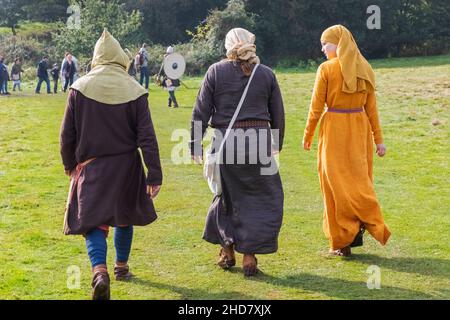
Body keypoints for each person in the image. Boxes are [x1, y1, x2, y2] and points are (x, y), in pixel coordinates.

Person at [60, 29, 163, 300]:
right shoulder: (136, 90)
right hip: (127, 167)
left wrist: (69, 164)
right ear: (121, 58)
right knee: (124, 216)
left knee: (94, 222)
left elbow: (66, 134)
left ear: (96, 58)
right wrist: (154, 174)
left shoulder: (78, 88)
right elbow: (147, 137)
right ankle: (121, 267)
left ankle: (99, 271)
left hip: (92, 167)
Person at [190, 28, 285, 277]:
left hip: (226, 142)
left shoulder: (215, 71)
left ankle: (227, 249)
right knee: (261, 200)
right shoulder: (266, 74)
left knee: (226, 198)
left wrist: (194, 144)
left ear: (228, 46)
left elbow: (200, 111)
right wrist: (276, 144)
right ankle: (249, 257)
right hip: (259, 143)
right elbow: (278, 113)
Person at [302, 25, 391, 257]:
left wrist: (308, 134)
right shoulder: (365, 68)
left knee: (334, 185)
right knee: (357, 182)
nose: (322, 48)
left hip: (334, 131)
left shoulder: (326, 69)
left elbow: (315, 106)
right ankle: (361, 227)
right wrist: (378, 140)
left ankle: (342, 240)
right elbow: (371, 110)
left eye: (326, 43)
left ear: (338, 44)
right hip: (359, 131)